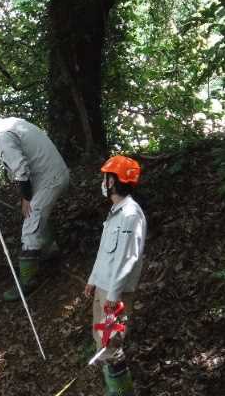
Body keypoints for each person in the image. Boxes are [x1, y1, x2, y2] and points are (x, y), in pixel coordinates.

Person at [0, 101, 70, 301]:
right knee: (34, 213)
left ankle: (28, 282)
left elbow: (20, 169)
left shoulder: (2, 136)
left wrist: (26, 197)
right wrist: (25, 196)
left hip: (50, 178)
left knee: (31, 220)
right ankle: (50, 250)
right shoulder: (11, 123)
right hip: (50, 173)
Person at [84, 155, 147, 396]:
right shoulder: (115, 212)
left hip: (115, 292)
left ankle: (122, 391)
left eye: (106, 177)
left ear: (113, 181)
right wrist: (92, 279)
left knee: (110, 343)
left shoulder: (131, 214)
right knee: (100, 339)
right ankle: (114, 386)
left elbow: (128, 257)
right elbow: (105, 252)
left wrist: (114, 293)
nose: (103, 181)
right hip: (103, 286)